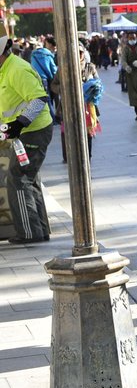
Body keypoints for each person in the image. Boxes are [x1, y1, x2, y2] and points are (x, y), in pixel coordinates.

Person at [0, 32, 54, 244]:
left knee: (18, 177)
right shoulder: (5, 69)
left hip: (33, 131)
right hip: (25, 133)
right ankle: (39, 230)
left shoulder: (17, 70)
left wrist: (19, 123)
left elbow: (40, 99)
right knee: (29, 179)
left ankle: (29, 233)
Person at [51, 43, 102, 162]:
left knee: (88, 132)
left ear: (83, 53)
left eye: (80, 52)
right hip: (68, 105)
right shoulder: (63, 68)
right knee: (68, 132)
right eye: (75, 53)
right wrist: (63, 89)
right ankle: (68, 157)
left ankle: (87, 156)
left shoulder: (90, 67)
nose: (78, 55)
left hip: (87, 106)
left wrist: (92, 87)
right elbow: (54, 85)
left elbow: (98, 83)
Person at [30, 36, 58, 117]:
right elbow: (53, 70)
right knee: (48, 99)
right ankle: (53, 118)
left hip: (34, 78)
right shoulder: (48, 56)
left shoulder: (34, 55)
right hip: (45, 80)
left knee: (39, 99)